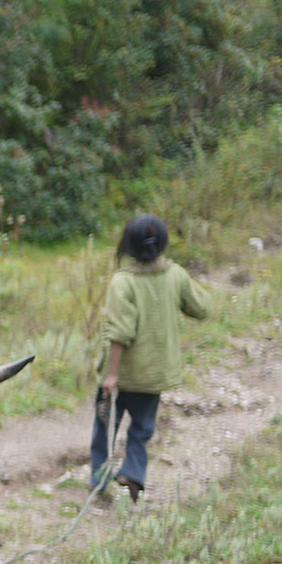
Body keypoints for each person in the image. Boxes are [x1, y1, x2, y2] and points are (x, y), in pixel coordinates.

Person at [92, 214, 211, 502]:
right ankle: (133, 472)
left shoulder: (124, 282)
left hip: (121, 376)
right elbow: (202, 308)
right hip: (153, 375)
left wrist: (112, 375)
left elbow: (120, 333)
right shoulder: (175, 275)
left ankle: (99, 480)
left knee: (104, 429)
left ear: (128, 246)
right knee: (142, 429)